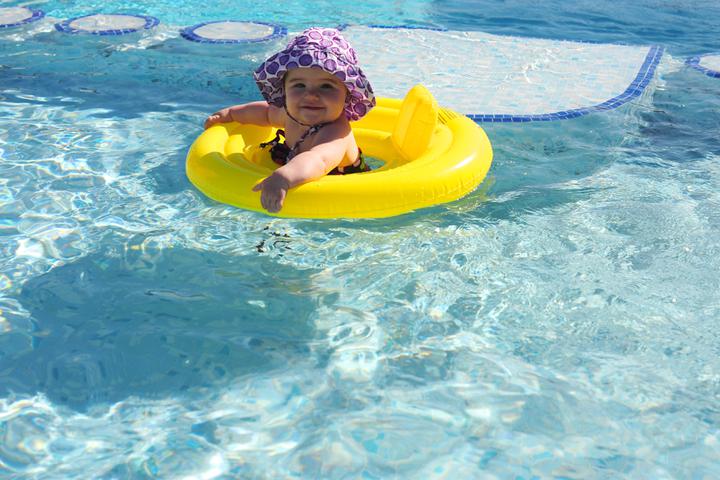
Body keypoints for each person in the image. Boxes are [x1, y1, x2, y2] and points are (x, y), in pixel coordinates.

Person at [204, 27, 376, 213]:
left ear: (347, 95)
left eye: (326, 86)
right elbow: (265, 113)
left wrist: (284, 178)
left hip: (339, 193)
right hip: (294, 165)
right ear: (284, 91)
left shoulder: (336, 132)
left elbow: (318, 160)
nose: (311, 95)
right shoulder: (290, 115)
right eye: (299, 85)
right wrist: (231, 114)